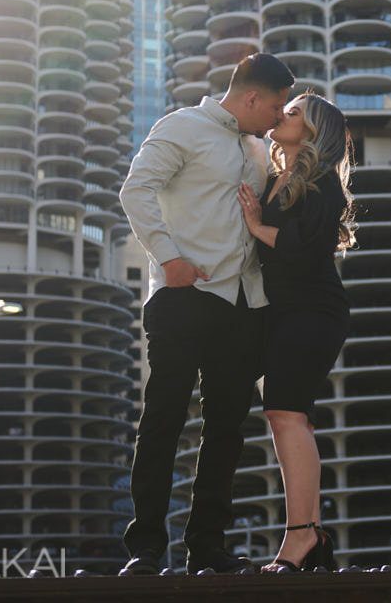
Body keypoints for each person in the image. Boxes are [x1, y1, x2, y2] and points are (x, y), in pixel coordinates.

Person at [117, 53, 294, 576]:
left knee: (226, 430)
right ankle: (146, 548)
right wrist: (167, 257)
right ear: (252, 97)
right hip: (184, 294)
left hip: (243, 305)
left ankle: (207, 548)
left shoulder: (259, 149)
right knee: (164, 419)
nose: (279, 116)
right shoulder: (182, 127)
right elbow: (136, 189)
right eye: (277, 106)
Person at [235, 90, 355, 573]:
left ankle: (300, 539)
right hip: (283, 310)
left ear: (312, 130)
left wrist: (256, 225)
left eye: (293, 112)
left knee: (286, 414)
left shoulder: (321, 180)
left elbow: (306, 247)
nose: (282, 114)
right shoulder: (275, 174)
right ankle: (311, 536)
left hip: (313, 309)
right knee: (290, 418)